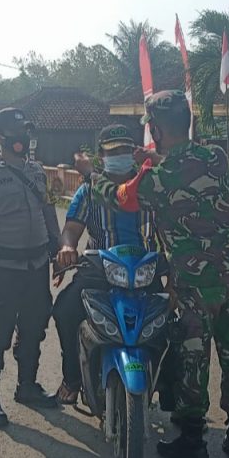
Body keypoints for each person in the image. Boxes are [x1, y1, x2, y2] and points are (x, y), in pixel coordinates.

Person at [74, 90, 229, 458]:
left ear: (154, 128)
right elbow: (185, 168)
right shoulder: (216, 158)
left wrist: (91, 176)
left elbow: (122, 196)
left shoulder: (157, 180)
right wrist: (156, 160)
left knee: (193, 358)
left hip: (196, 281)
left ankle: (192, 441)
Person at [52, 124, 159, 405]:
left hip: (145, 271)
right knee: (65, 311)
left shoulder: (149, 185)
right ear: (102, 156)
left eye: (125, 150)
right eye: (114, 152)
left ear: (135, 152)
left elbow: (170, 227)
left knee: (173, 322)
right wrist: (67, 246)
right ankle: (72, 379)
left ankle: (173, 393)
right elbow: (72, 227)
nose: (120, 156)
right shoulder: (89, 190)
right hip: (99, 269)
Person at [0, 107, 61, 427]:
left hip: (36, 266)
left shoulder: (37, 172)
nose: (21, 138)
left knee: (35, 329)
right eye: (14, 132)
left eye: (24, 131)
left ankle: (28, 387)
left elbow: (48, 211)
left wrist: (59, 248)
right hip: (3, 270)